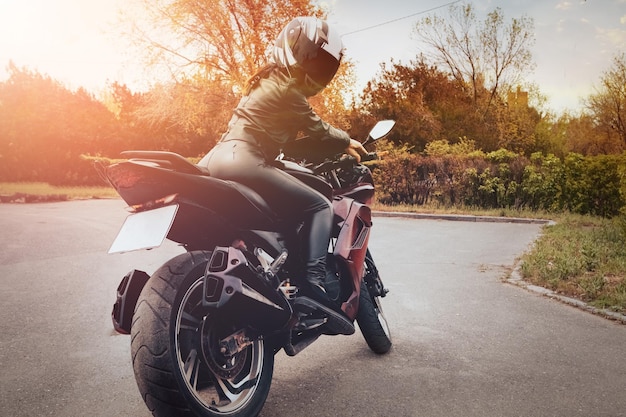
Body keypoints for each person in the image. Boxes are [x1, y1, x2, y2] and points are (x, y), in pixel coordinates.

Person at [200, 16, 365, 334]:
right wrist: (348, 141)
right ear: (294, 51)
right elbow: (318, 129)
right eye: (313, 61)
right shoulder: (287, 88)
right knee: (318, 205)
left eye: (321, 65)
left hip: (217, 159)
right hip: (244, 160)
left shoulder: (262, 83)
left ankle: (278, 285)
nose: (315, 71)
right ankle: (314, 286)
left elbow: (289, 140)